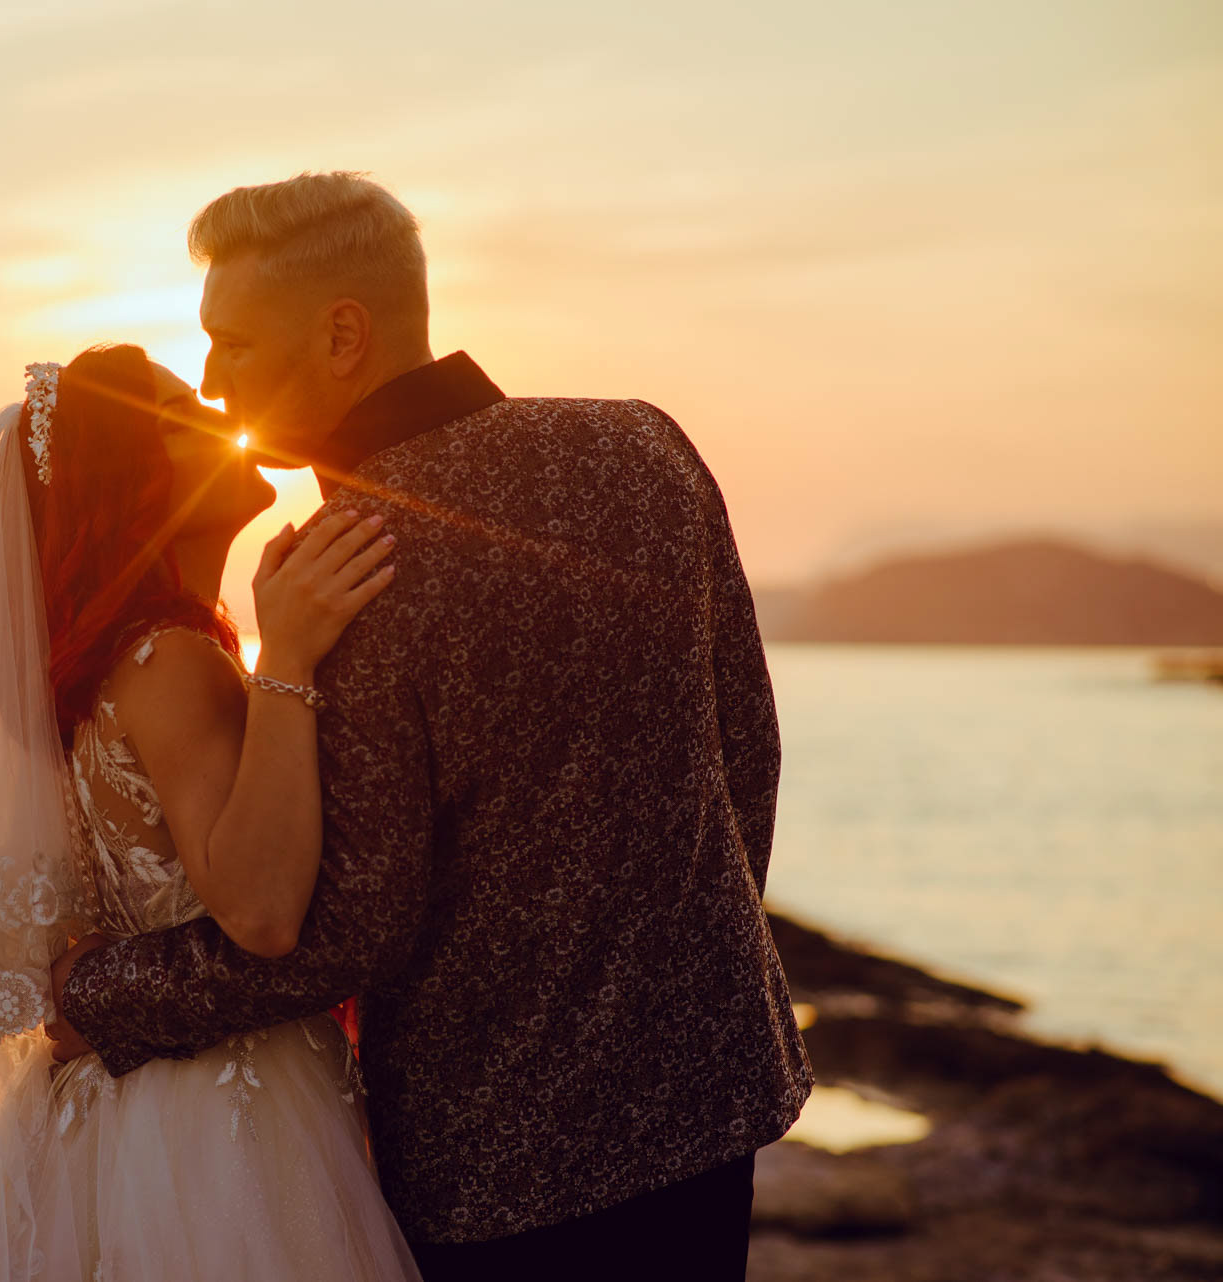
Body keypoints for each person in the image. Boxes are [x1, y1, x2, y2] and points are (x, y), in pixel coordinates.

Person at [47, 171, 815, 1279]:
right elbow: (747, 753)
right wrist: (681, 993)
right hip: (712, 1104)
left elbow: (349, 926)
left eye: (234, 345)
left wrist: (99, 994)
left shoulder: (354, 563)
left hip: (497, 1168)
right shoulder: (649, 447)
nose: (212, 382)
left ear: (343, 334)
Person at [0, 341, 422, 1280]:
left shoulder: (111, 672)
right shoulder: (171, 662)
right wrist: (285, 658)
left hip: (122, 1113)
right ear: (139, 475)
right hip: (221, 1133)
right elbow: (262, 911)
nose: (215, 409)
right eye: (178, 409)